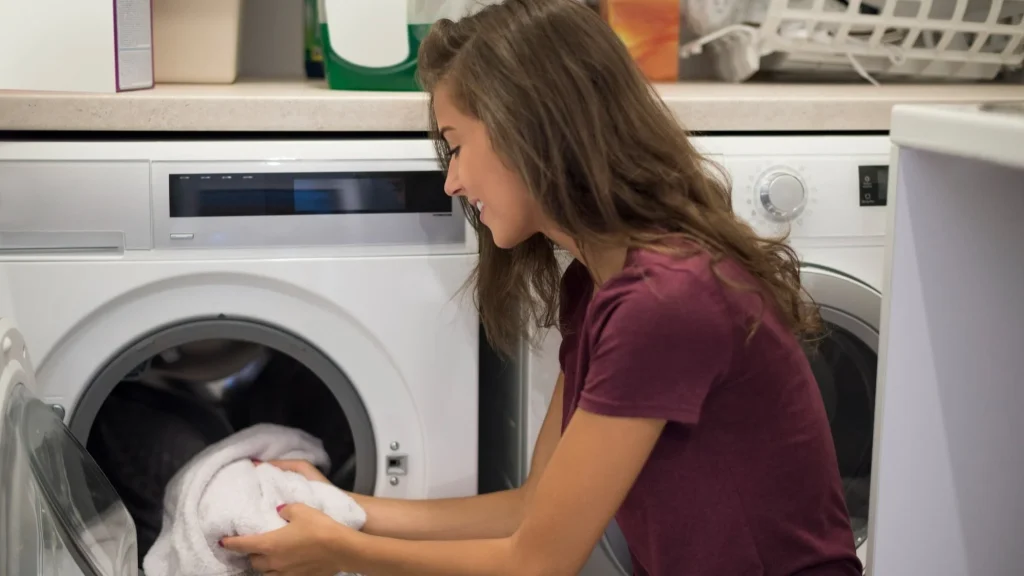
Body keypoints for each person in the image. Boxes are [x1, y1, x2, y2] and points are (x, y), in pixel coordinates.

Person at [221, 0, 864, 574]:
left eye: (456, 146)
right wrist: (340, 506)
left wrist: (341, 551)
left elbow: (539, 562)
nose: (451, 182)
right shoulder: (598, 283)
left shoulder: (664, 302)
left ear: (528, 128)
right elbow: (530, 509)